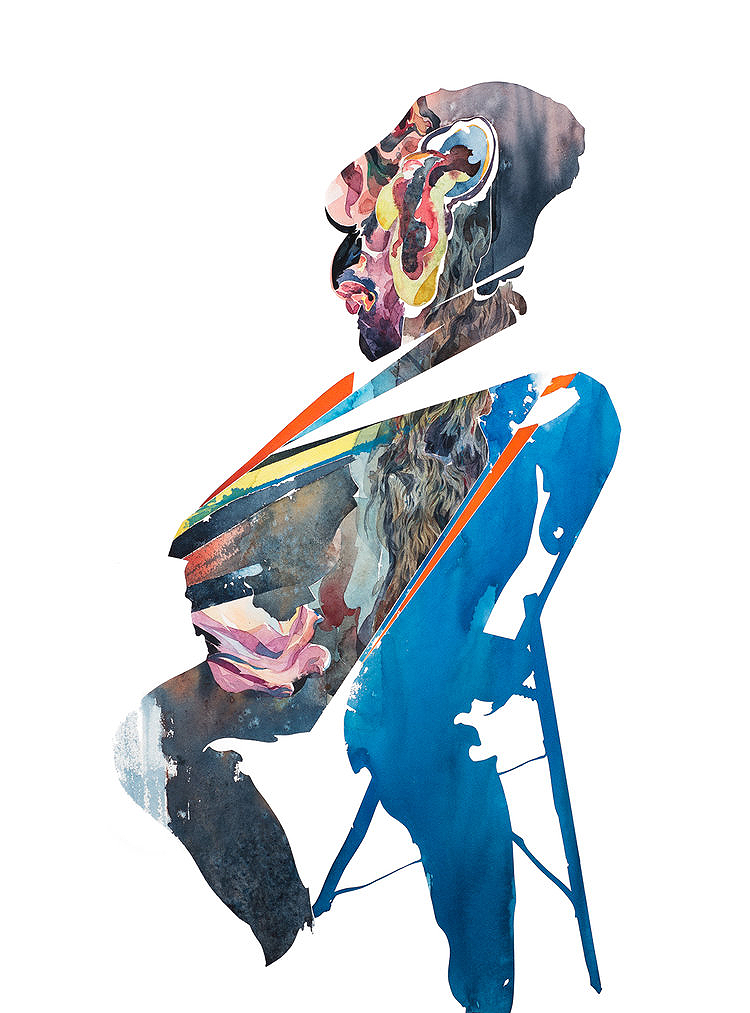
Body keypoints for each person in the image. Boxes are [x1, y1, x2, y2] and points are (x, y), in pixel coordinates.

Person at [115, 81, 619, 1013]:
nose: (352, 274)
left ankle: (487, 993)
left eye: (389, 238)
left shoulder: (540, 404)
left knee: (406, 741)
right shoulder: (404, 385)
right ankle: (290, 940)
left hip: (420, 659)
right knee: (148, 740)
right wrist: (259, 589)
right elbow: (323, 515)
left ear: (463, 234)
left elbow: (495, 557)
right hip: (343, 624)